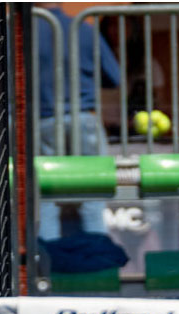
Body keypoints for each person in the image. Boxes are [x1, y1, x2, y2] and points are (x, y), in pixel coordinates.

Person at [36, 3, 121, 239]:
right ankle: (98, 258)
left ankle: (49, 260)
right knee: (93, 198)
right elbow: (114, 77)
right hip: (83, 118)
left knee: (46, 200)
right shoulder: (83, 29)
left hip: (43, 121)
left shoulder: (22, 32)